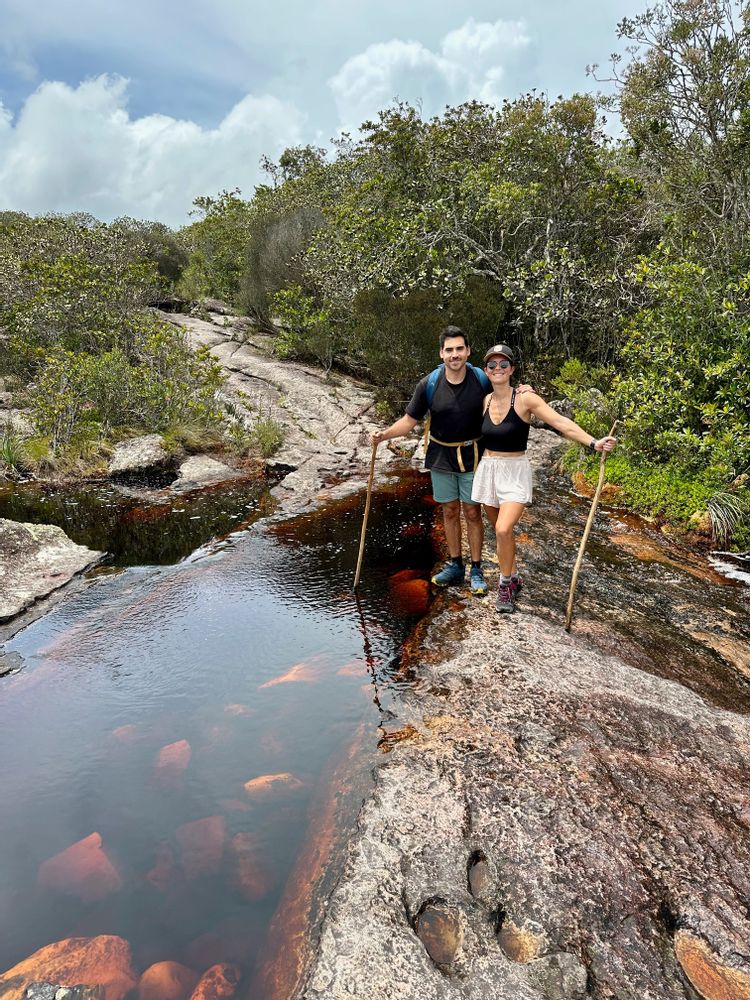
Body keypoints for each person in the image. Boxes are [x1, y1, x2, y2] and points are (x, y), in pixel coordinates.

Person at [371, 326, 530, 596]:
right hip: (441, 455)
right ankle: (456, 564)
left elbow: (505, 388)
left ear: (467, 351)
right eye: (449, 350)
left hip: (473, 455)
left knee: (472, 512)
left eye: (459, 349)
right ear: (441, 353)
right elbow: (410, 421)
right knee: (449, 511)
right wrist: (384, 435)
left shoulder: (480, 378)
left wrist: (525, 390)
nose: (454, 355)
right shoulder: (429, 384)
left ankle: (476, 567)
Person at [471, 343, 617, 614]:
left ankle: (504, 586)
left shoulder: (526, 399)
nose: (498, 369)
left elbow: (559, 422)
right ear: (486, 370)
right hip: (488, 470)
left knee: (503, 529)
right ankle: (513, 577)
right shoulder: (485, 401)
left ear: (512, 369)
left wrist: (593, 442)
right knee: (500, 531)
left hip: (514, 472)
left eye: (504, 364)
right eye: (492, 365)